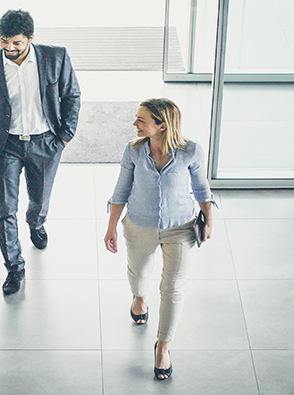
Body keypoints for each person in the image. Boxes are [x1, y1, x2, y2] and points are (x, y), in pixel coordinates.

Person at [0, 9, 80, 295]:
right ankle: (14, 268)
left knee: (40, 200)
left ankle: (36, 223)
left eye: (16, 42)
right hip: (6, 146)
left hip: (46, 142)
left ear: (30, 37)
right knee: (5, 208)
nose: (9, 48)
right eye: (4, 41)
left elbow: (72, 95)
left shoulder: (56, 57)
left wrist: (65, 136)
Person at [103, 98, 214, 380]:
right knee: (138, 274)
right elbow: (121, 189)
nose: (135, 124)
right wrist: (111, 226)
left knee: (173, 287)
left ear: (162, 125)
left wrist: (209, 221)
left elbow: (202, 189)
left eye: (142, 120)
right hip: (140, 224)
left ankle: (163, 347)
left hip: (181, 227)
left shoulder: (191, 152)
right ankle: (139, 297)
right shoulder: (133, 151)